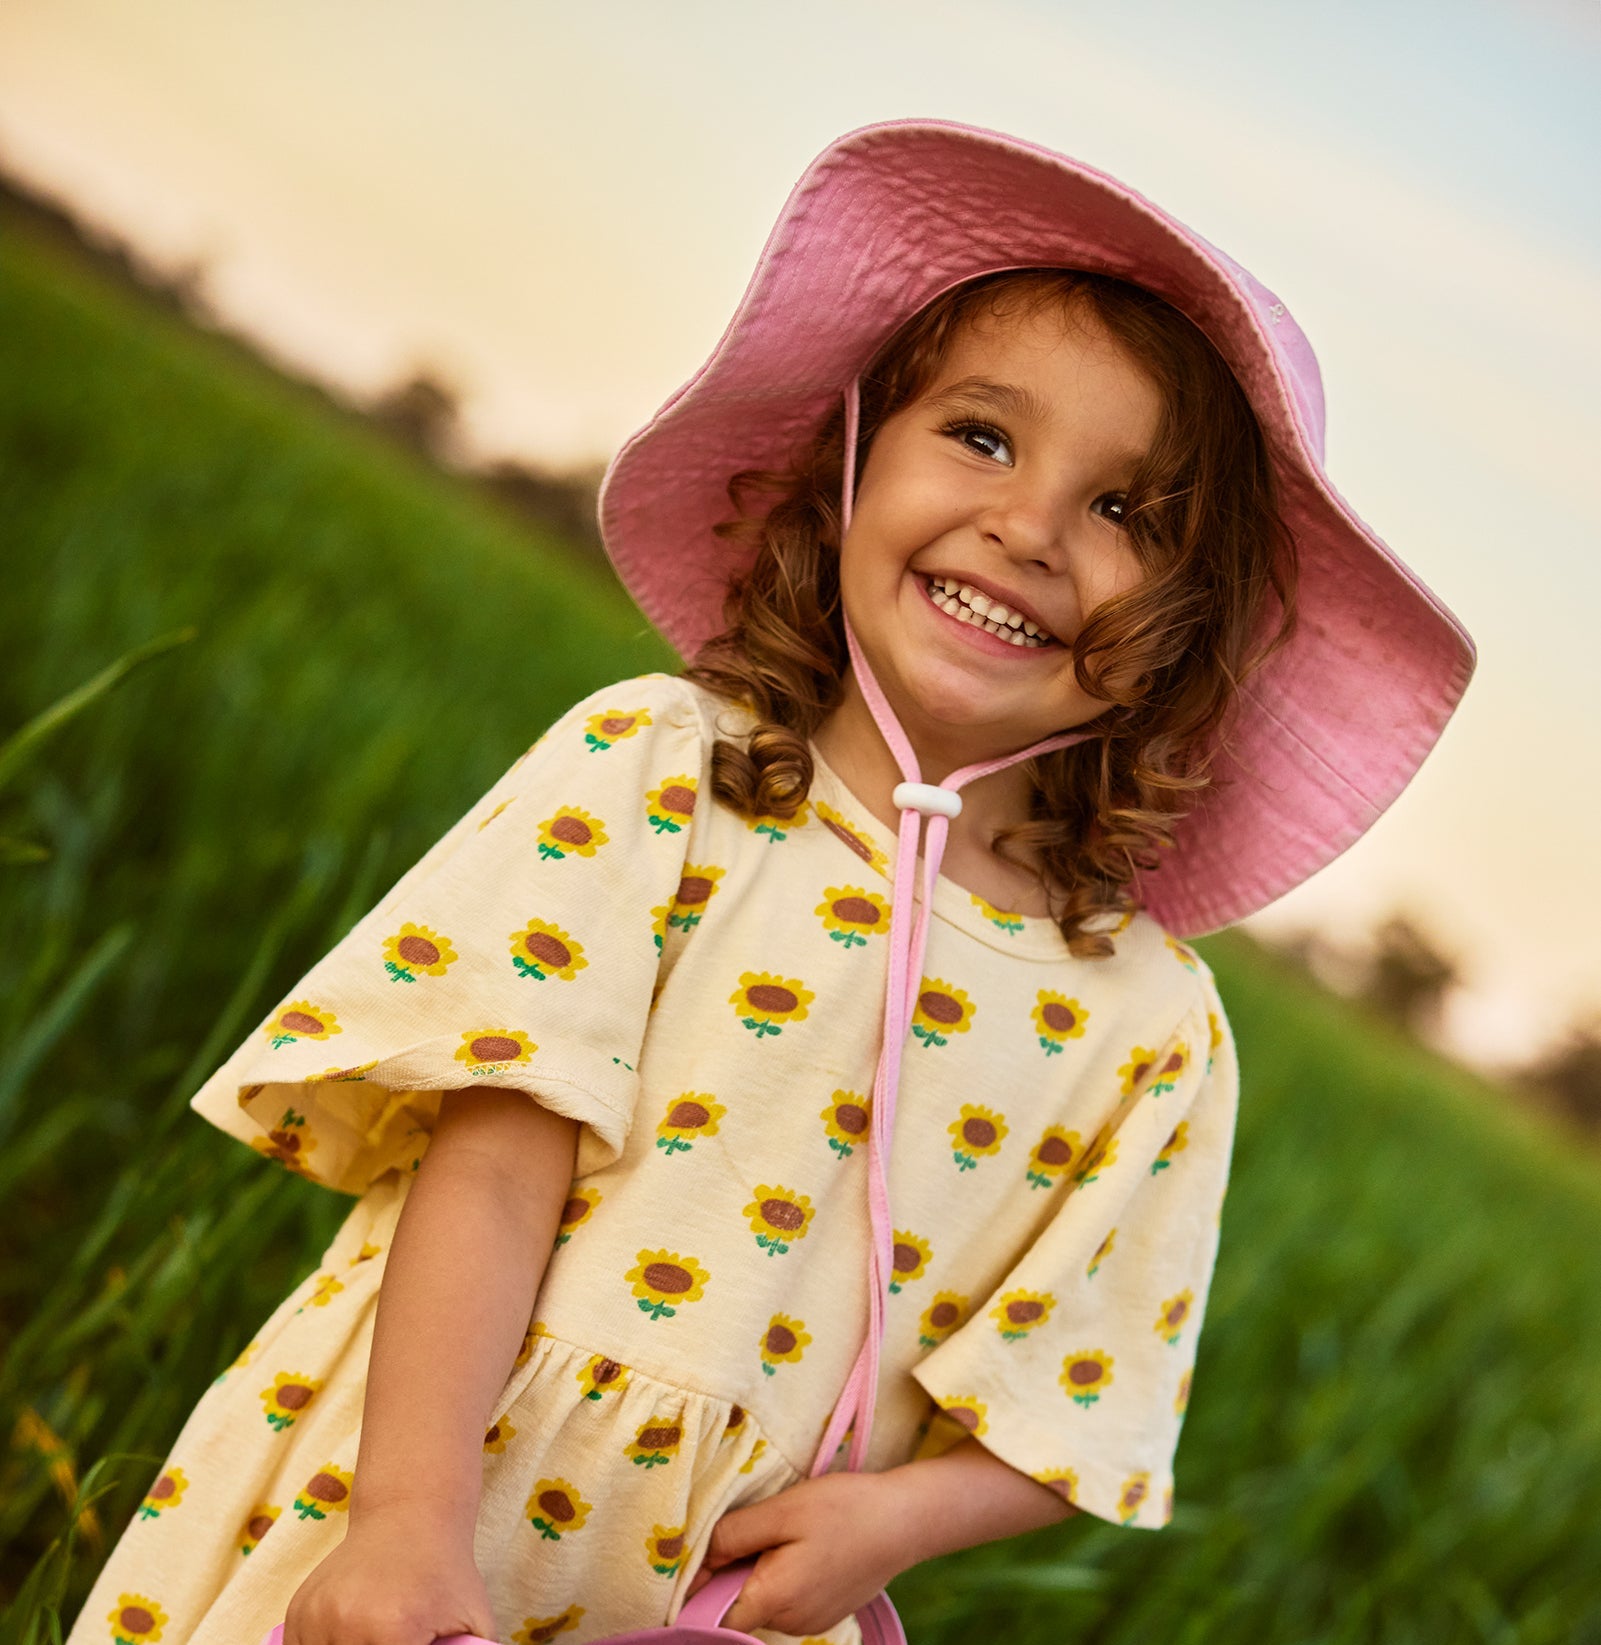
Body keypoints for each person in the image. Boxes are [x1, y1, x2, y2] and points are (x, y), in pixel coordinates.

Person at [70, 120, 1473, 1645]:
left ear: (1189, 624)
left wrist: (907, 1511)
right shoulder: (663, 773)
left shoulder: (1144, 1020)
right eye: (982, 437)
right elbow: (491, 1152)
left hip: (725, 1592)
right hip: (426, 1475)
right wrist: (403, 1517)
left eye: (1128, 511)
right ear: (854, 458)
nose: (1026, 527)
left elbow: (1091, 1386)